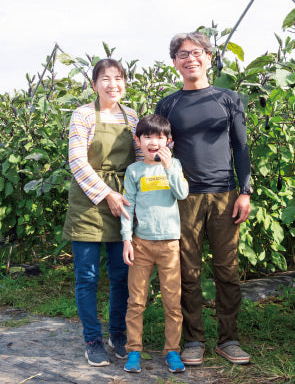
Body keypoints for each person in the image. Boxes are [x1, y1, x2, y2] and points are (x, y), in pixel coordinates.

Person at [155, 32, 252, 366]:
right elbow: (159, 148)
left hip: (225, 195)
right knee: (188, 271)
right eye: (182, 54)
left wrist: (245, 191)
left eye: (196, 53)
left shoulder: (229, 99)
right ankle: (194, 339)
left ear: (209, 57)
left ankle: (230, 339)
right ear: (174, 63)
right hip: (183, 197)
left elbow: (240, 146)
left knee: (227, 269)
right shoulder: (168, 104)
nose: (190, 59)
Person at [62, 58, 142, 367]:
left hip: (123, 199)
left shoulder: (132, 116)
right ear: (94, 84)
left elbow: (139, 158)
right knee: (87, 276)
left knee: (121, 275)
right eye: (105, 79)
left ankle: (118, 334)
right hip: (88, 199)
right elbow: (77, 161)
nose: (113, 84)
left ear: (124, 82)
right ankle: (93, 339)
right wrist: (106, 193)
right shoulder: (82, 114)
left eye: (118, 78)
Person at [120, 114, 189, 374]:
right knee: (136, 301)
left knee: (172, 301)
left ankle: (172, 350)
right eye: (147, 136)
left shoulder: (175, 165)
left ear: (168, 141)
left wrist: (169, 167)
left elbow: (182, 193)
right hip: (141, 244)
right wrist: (127, 239)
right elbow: (129, 206)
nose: (153, 142)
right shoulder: (134, 171)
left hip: (170, 243)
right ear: (138, 140)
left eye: (159, 137)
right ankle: (134, 351)